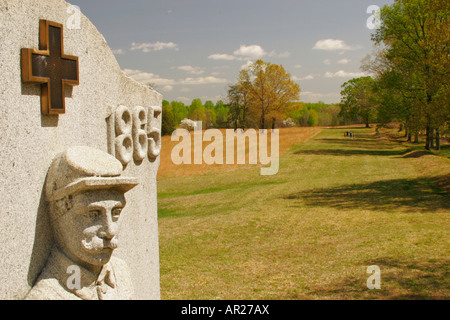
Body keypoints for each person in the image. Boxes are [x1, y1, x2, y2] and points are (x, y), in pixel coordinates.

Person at [26, 146, 139, 300]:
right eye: (93, 214)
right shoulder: (46, 297)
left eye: (116, 212)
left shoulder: (120, 272)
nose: (110, 231)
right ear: (58, 211)